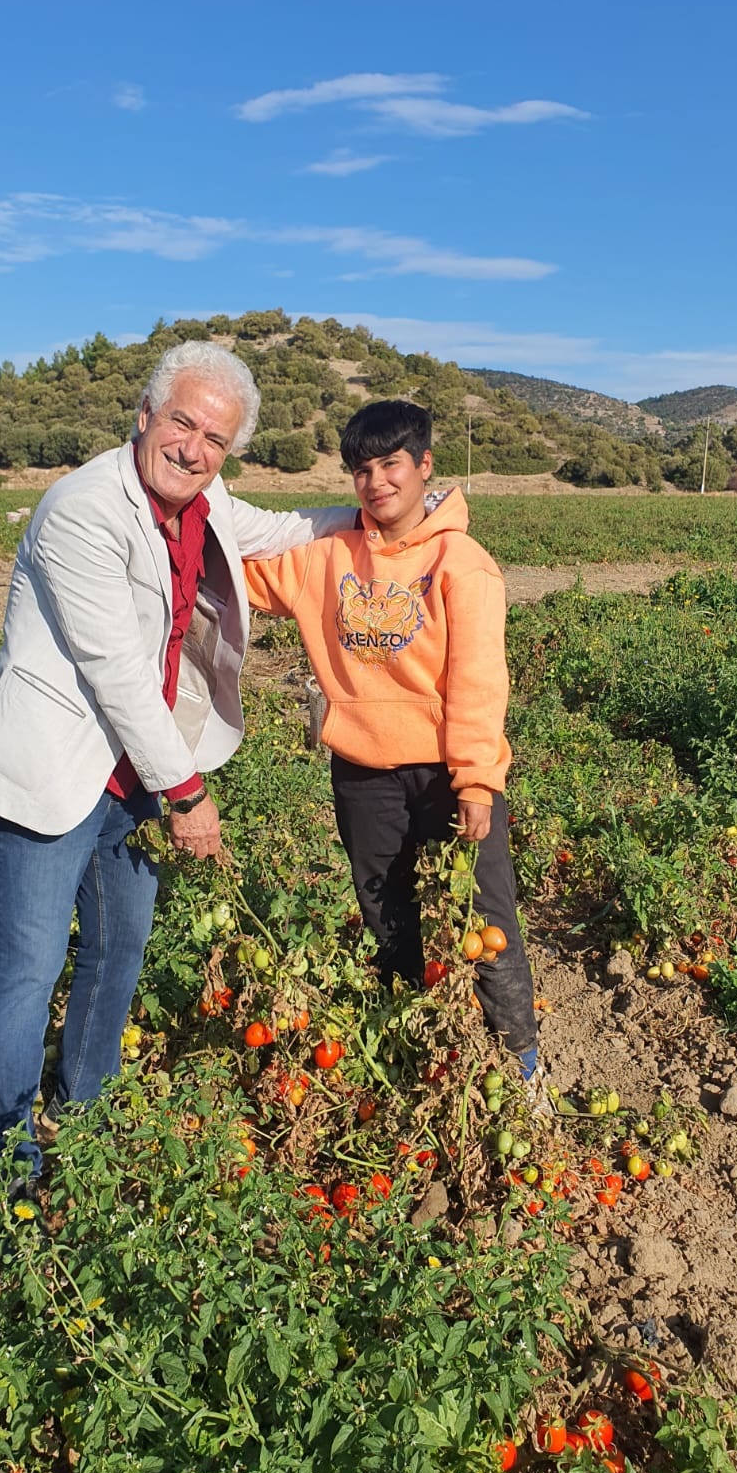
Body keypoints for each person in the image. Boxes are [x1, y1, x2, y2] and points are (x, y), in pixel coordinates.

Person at [0, 341, 356, 1181]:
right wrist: (187, 791)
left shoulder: (203, 502)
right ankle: (8, 1166)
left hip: (127, 779)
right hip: (54, 775)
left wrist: (380, 508)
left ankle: (88, 1111)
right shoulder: (84, 509)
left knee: (119, 946)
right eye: (183, 423)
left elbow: (283, 529)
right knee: (27, 972)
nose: (194, 449)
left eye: (215, 440)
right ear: (144, 417)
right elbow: (117, 672)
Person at [244, 399, 538, 1080]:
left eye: (391, 464)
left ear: (424, 466)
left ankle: (521, 1059)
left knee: (486, 917)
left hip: (443, 772)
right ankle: (416, 1052)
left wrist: (475, 780)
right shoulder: (327, 556)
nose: (377, 482)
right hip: (363, 772)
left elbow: (477, 680)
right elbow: (243, 573)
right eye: (362, 470)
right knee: (386, 913)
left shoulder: (462, 562)